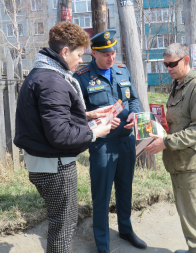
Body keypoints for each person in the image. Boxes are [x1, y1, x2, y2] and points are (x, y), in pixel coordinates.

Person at [14, 22, 111, 253]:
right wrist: (94, 132)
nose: (80, 61)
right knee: (63, 227)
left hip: (45, 162)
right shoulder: (53, 81)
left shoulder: (44, 74)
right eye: (79, 55)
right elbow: (60, 134)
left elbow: (46, 118)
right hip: (55, 166)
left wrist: (86, 115)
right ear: (65, 52)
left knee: (60, 223)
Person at [73, 29, 147, 253]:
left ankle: (125, 229)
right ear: (94, 53)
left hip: (126, 142)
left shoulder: (122, 71)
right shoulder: (82, 77)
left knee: (125, 190)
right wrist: (98, 124)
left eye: (113, 52)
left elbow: (133, 99)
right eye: (106, 54)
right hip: (102, 145)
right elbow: (77, 115)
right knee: (102, 194)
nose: (111, 57)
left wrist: (134, 113)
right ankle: (102, 242)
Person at [144, 43, 196, 253]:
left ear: (186, 60)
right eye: (166, 64)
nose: (169, 68)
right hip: (178, 161)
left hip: (190, 163)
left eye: (173, 64)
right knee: (187, 211)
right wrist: (159, 127)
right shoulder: (178, 84)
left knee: (193, 213)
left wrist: (166, 142)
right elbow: (176, 121)